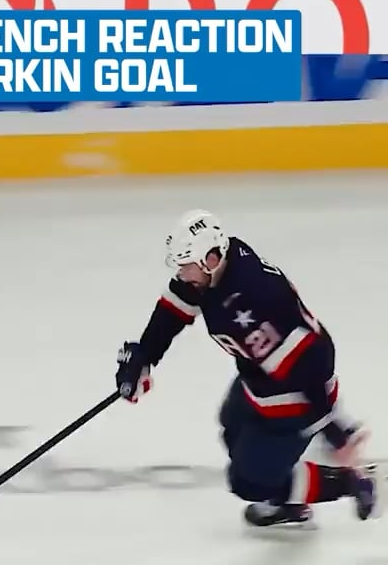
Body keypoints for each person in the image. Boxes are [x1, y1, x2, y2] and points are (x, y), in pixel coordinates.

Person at [115, 209, 380, 529]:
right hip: (260, 380)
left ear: (211, 259)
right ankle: (287, 491)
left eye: (186, 266)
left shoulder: (254, 300)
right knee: (233, 424)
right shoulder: (220, 266)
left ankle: (345, 484)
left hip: (295, 398)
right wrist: (145, 356)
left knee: (249, 482)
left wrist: (332, 424)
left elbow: (308, 362)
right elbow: (174, 308)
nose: (182, 274)